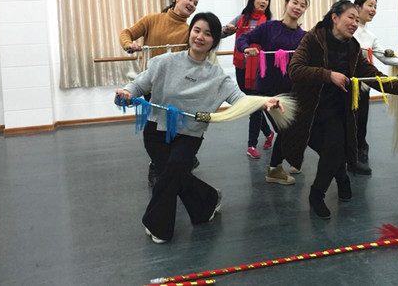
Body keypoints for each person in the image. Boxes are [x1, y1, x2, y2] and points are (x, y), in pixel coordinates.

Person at [115, 12, 283, 243]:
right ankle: (209, 200)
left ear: (214, 40)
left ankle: (158, 226)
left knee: (172, 171)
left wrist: (263, 102)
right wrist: (126, 92)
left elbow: (240, 99)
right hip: (156, 130)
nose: (200, 37)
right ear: (190, 32)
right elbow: (139, 84)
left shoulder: (217, 76)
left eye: (208, 33)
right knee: (173, 175)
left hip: (190, 134)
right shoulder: (164, 62)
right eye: (197, 30)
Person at [278, 0, 398, 219]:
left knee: (335, 149)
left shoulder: (353, 47)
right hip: (308, 111)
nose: (355, 23)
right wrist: (328, 75)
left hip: (336, 110)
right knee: (330, 152)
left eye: (357, 19)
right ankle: (342, 179)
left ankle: (317, 195)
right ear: (335, 18)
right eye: (351, 17)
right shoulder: (313, 38)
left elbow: (376, 78)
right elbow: (295, 69)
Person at [120, 0, 200, 186]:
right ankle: (158, 165)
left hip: (176, 87)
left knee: (176, 126)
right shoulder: (152, 19)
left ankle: (181, 159)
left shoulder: (189, 31)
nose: (192, 5)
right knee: (155, 129)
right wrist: (129, 45)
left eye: (195, 3)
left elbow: (201, 47)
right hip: (150, 84)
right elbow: (126, 33)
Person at [236, 0, 310, 185]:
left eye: (302, 5)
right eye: (295, 2)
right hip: (267, 91)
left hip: (291, 92)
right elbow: (242, 39)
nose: (298, 7)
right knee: (286, 130)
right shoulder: (269, 27)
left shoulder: (304, 37)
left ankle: (291, 159)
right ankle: (275, 169)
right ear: (286, 4)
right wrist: (246, 49)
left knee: (294, 129)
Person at [352, 0, 398, 175]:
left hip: (363, 85)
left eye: (375, 6)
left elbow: (384, 58)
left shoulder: (370, 36)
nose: (373, 10)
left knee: (361, 121)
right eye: (370, 5)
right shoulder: (347, 30)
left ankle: (360, 151)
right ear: (357, 7)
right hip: (343, 84)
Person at [222, 0, 274, 159]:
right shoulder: (241, 18)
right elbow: (221, 33)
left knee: (254, 105)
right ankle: (268, 133)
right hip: (241, 66)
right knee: (252, 104)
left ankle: (251, 145)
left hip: (259, 69)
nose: (264, 1)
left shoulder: (269, 22)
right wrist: (227, 30)